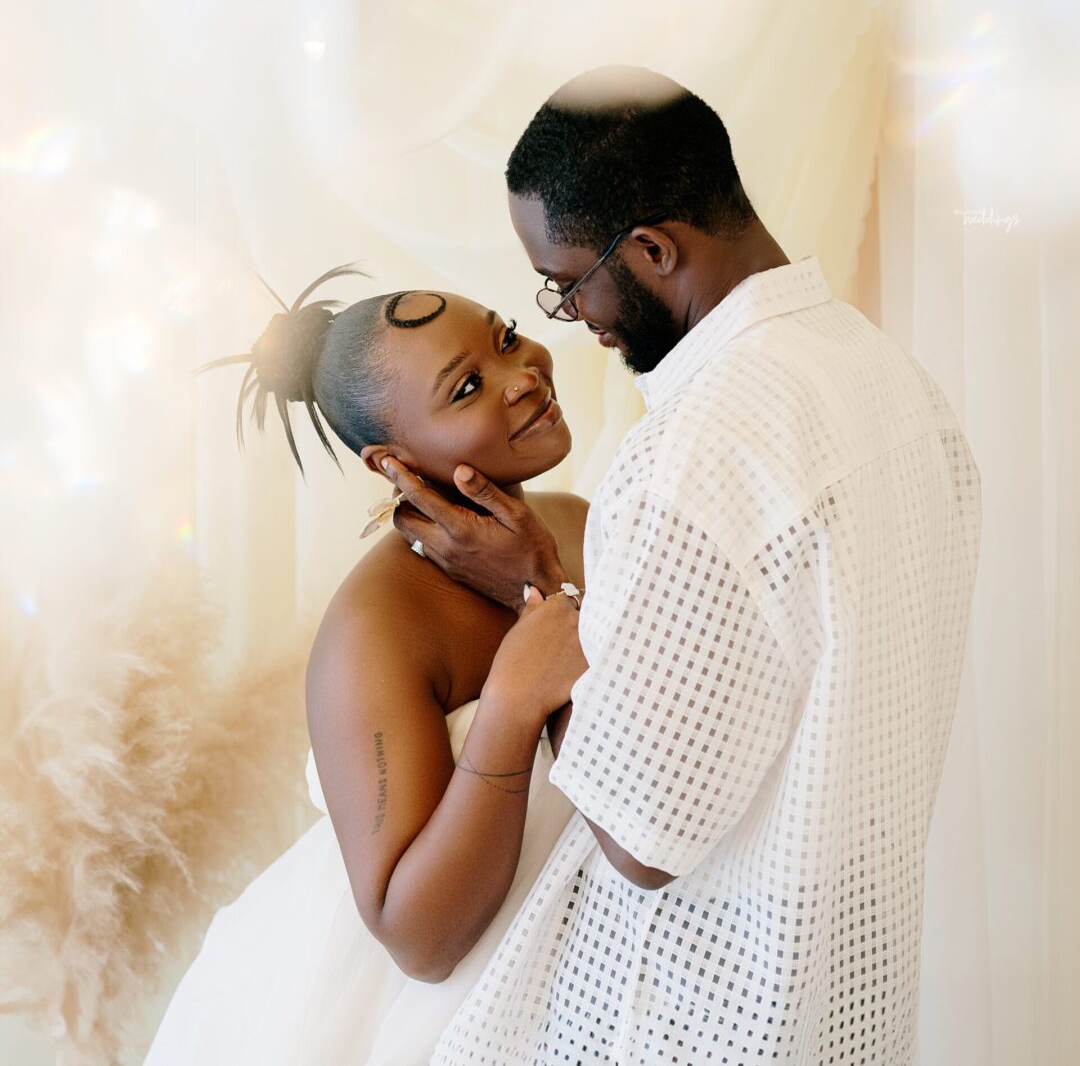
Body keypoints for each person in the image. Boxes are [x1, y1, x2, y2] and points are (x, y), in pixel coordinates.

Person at [383, 66, 983, 1064]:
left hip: (699, 1022)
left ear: (654, 249)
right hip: (854, 1010)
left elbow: (643, 837)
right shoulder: (903, 389)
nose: (572, 316)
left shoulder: (693, 453)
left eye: (567, 282)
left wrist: (539, 594)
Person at [143, 276, 589, 1065]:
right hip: (420, 1022)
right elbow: (418, 937)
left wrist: (541, 585)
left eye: (507, 336)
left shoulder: (579, 524)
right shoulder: (376, 628)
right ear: (394, 461)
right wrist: (513, 702)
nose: (524, 375)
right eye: (467, 387)